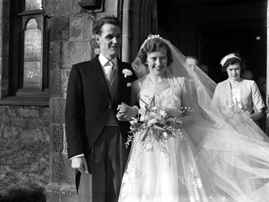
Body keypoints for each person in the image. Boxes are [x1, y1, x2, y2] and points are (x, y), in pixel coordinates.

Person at [117, 35, 269, 202]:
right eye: (154, 58)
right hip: (146, 148)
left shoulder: (181, 82)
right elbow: (133, 115)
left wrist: (170, 121)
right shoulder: (138, 85)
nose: (159, 63)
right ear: (145, 60)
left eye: (163, 58)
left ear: (168, 59)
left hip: (176, 145)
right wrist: (132, 116)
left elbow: (191, 117)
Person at [65, 16, 137, 202]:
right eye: (110, 36)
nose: (116, 41)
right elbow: (72, 114)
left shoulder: (129, 71)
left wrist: (132, 111)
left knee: (120, 192)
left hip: (121, 140)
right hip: (92, 143)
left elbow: (140, 103)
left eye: (119, 36)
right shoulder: (80, 71)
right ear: (97, 38)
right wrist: (76, 153)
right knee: (91, 195)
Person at [212, 53, 265, 124]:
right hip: (226, 127)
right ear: (226, 70)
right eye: (230, 69)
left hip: (248, 126)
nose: (234, 73)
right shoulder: (220, 86)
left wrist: (247, 119)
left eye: (236, 69)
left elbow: (260, 112)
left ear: (241, 69)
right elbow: (213, 110)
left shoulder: (250, 84)